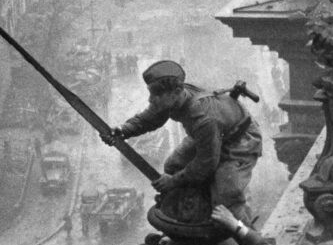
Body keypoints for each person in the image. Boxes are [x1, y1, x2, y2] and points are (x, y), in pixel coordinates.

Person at [101, 60, 262, 224]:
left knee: (226, 195)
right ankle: (195, 210)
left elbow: (206, 164)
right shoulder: (175, 97)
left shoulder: (202, 117)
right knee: (173, 165)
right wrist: (123, 130)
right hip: (211, 134)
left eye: (156, 95)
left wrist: (172, 182)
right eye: (151, 93)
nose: (151, 99)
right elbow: (150, 118)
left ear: (177, 91)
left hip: (240, 140)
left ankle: (249, 236)